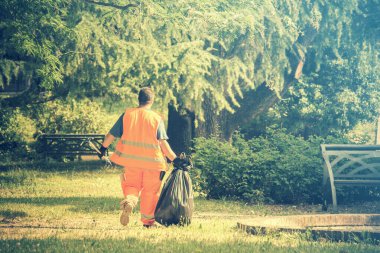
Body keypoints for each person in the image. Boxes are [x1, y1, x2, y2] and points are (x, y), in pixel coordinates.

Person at [98, 87, 178, 228]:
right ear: (151, 100)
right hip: (153, 164)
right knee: (150, 192)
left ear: (138, 100)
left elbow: (111, 135)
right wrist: (175, 159)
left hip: (131, 163)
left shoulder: (127, 115)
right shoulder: (155, 118)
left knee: (131, 186)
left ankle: (130, 201)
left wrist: (103, 148)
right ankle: (148, 222)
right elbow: (162, 143)